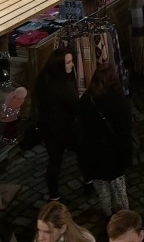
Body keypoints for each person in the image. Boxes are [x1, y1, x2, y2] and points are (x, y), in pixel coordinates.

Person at [78, 65, 132, 217]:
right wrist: (126, 157)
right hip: (114, 154)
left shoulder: (85, 100)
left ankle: (108, 216)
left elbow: (81, 131)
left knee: (103, 191)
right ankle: (125, 219)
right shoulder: (118, 100)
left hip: (93, 155)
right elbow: (124, 131)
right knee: (119, 190)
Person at [34, 47, 85, 201]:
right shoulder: (63, 85)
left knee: (54, 161)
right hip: (66, 128)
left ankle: (54, 195)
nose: (72, 65)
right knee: (83, 153)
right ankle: (89, 181)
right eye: (68, 62)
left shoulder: (43, 79)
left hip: (49, 128)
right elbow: (76, 106)